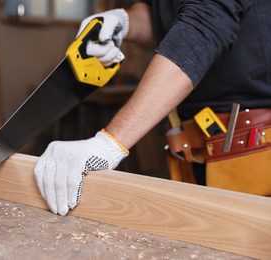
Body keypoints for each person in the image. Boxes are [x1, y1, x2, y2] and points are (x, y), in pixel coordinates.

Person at [34, 0, 271, 216]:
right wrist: (125, 22)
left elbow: (204, 22)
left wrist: (110, 143)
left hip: (250, 146)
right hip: (194, 145)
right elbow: (164, 16)